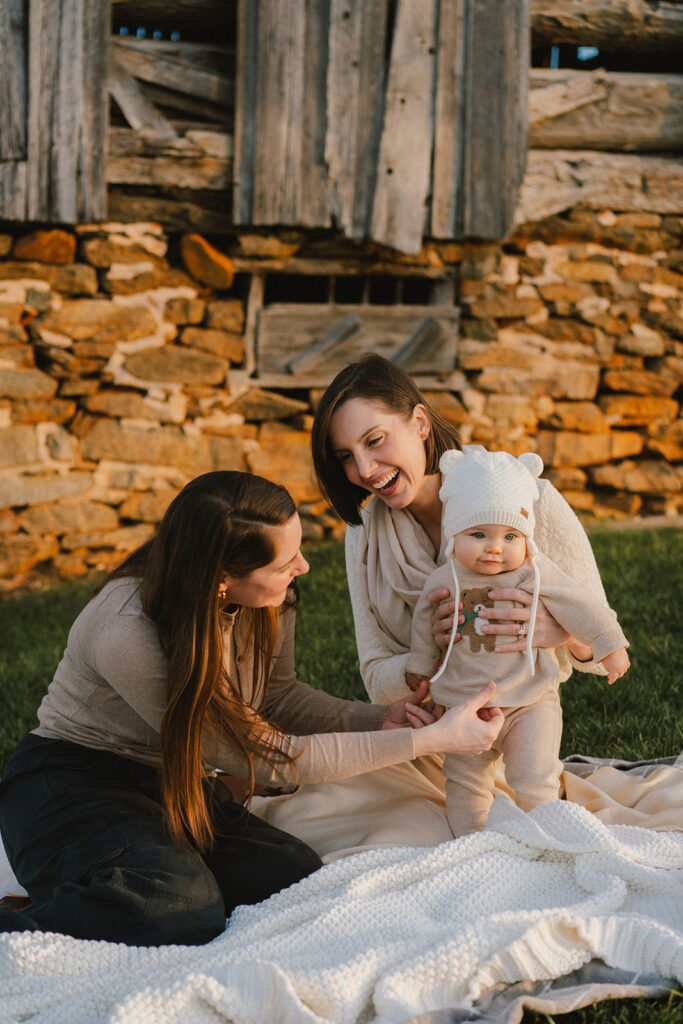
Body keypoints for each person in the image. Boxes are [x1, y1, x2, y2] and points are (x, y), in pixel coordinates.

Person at [0, 470, 503, 947]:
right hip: (71, 785)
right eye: (285, 563)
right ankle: (24, 921)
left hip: (173, 783)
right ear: (221, 577)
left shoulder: (264, 600)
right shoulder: (127, 632)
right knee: (181, 907)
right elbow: (263, 756)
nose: (303, 567)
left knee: (287, 874)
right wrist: (428, 741)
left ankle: (116, 883)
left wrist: (381, 719)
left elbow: (277, 698)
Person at [311, 352, 615, 712]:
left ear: (420, 423)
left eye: (375, 440)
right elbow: (376, 681)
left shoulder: (530, 502)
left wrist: (563, 633)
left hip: (522, 727)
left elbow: (603, 651)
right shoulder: (364, 537)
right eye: (346, 456)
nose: (363, 469)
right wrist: (428, 656)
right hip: (426, 731)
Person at [406, 446, 630, 837]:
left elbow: (581, 605)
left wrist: (609, 644)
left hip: (530, 700)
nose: (494, 547)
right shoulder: (444, 580)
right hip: (465, 703)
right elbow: (425, 624)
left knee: (535, 775)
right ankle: (472, 841)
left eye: (510, 535)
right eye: (478, 534)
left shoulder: (535, 573)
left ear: (527, 538)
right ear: (454, 535)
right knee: (464, 783)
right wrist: (419, 669)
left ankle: (547, 835)